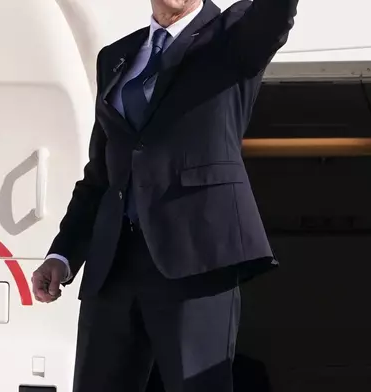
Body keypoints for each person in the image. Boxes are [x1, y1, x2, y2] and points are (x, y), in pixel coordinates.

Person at [31, 0, 299, 391]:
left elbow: (276, 13)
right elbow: (101, 176)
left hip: (196, 259)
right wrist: (64, 254)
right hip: (113, 268)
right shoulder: (117, 56)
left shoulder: (233, 35)